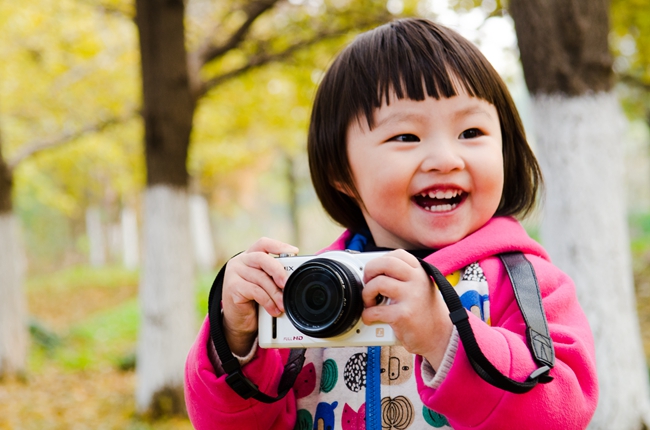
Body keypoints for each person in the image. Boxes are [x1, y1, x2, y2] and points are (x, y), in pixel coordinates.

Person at [184, 18, 598, 429]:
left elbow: (561, 412)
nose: (445, 159)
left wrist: (444, 337)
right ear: (341, 172)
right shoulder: (308, 295)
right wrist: (235, 340)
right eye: (406, 137)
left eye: (471, 131)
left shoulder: (523, 281)